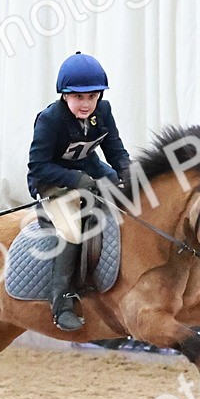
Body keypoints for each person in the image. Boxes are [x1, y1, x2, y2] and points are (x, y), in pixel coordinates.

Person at [27, 52, 131, 331]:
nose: (86, 104)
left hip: (89, 170)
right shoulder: (49, 119)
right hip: (52, 181)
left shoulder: (103, 111)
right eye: (78, 97)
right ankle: (61, 302)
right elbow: (38, 166)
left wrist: (128, 173)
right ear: (64, 95)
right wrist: (75, 179)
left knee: (130, 201)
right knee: (72, 229)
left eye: (92, 96)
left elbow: (115, 150)